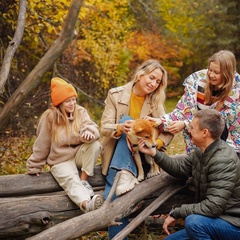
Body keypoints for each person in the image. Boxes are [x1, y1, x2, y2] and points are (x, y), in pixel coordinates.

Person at [139, 109, 240, 240]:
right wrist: (154, 153)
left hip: (233, 224)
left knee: (193, 222)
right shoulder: (201, 151)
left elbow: (213, 206)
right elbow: (180, 169)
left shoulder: (223, 160)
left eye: (192, 127)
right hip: (212, 221)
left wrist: (177, 212)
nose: (188, 130)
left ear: (205, 133)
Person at [100, 59, 173, 239]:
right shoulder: (115, 95)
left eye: (158, 82)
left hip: (143, 159)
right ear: (141, 74)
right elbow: (103, 127)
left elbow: (169, 130)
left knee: (112, 194)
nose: (153, 84)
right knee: (126, 122)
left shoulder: (155, 102)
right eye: (151, 77)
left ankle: (123, 175)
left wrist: (156, 145)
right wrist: (118, 128)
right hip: (117, 155)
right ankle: (124, 173)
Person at [27, 77, 103, 212]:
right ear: (59, 103)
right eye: (68, 101)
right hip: (60, 159)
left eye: (74, 99)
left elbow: (91, 126)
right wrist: (34, 166)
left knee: (95, 145)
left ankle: (84, 180)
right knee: (71, 181)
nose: (72, 103)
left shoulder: (80, 111)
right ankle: (88, 204)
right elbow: (42, 144)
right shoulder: (50, 117)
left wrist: (88, 132)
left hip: (79, 154)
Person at [148, 50, 240, 157]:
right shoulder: (197, 84)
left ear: (227, 74)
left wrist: (185, 124)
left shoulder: (236, 95)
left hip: (226, 152)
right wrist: (161, 121)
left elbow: (217, 123)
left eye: (217, 72)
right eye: (210, 70)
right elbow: (182, 111)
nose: (211, 75)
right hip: (196, 149)